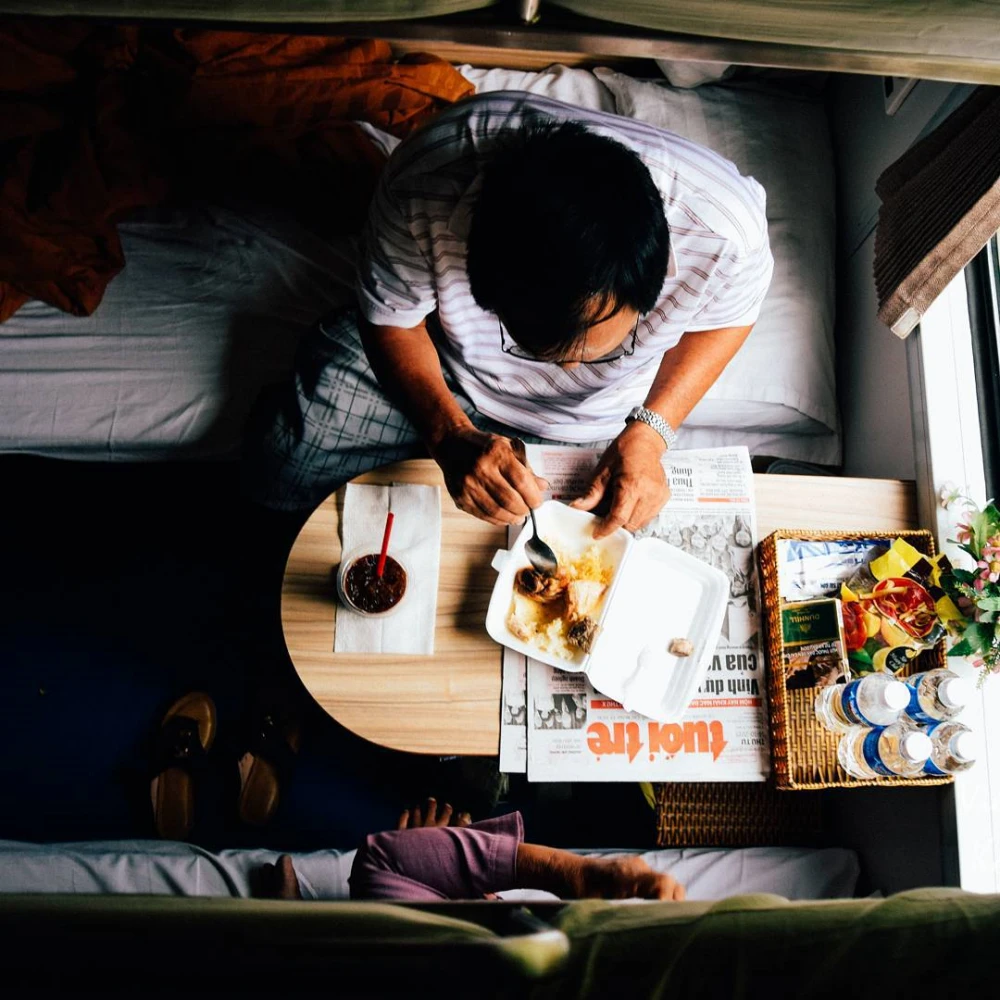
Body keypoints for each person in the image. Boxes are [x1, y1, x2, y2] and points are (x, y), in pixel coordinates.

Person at [247, 93, 773, 537]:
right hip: (444, 365)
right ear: (483, 281)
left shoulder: (725, 232)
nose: (569, 372)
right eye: (538, 348)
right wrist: (447, 434)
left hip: (600, 418)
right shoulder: (423, 183)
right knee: (283, 460)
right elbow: (392, 320)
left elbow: (729, 317)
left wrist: (649, 432)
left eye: (601, 344)